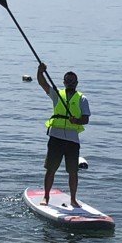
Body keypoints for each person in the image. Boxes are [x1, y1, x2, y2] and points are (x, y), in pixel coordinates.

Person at [37, 63, 90, 207]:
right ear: (64, 82)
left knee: (73, 171)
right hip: (56, 138)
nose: (70, 83)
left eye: (73, 81)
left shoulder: (82, 99)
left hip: (72, 140)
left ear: (76, 83)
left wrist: (76, 120)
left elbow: (85, 119)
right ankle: (46, 197)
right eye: (68, 81)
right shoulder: (57, 95)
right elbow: (43, 84)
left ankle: (73, 199)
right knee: (51, 169)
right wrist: (40, 71)